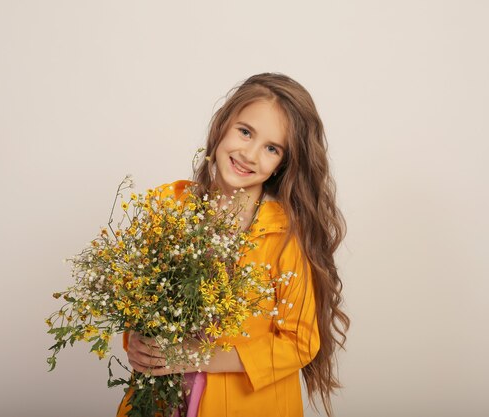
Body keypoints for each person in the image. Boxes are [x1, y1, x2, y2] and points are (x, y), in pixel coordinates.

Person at [116, 73, 350, 417]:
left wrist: (194, 356)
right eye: (245, 132)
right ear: (223, 125)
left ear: (282, 164)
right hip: (162, 400)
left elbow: (300, 343)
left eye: (272, 148)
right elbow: (139, 302)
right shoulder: (169, 206)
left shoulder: (284, 235)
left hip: (247, 405)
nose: (250, 154)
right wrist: (136, 341)